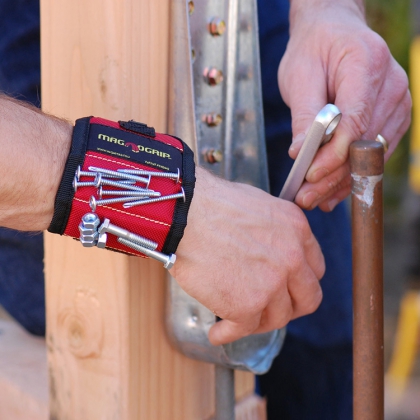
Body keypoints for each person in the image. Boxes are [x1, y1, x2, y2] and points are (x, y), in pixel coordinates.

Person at [0, 0, 411, 418]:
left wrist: (328, 11)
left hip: (245, 18)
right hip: (37, 66)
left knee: (316, 349)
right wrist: (177, 210)